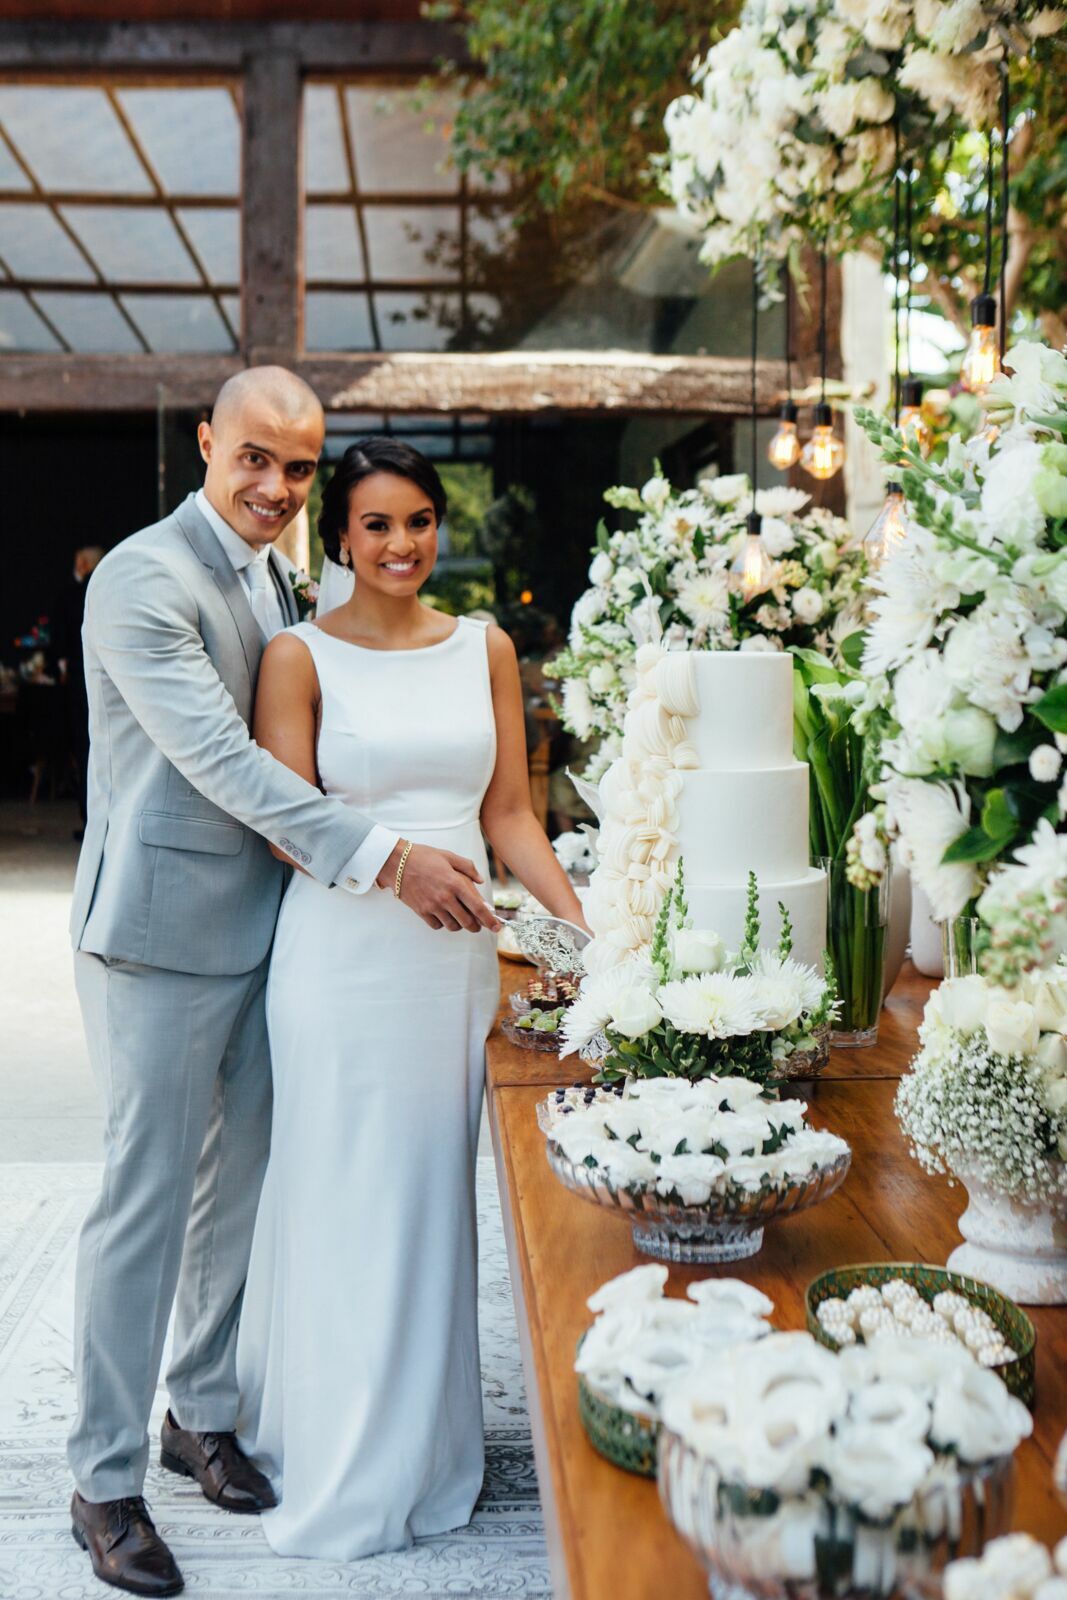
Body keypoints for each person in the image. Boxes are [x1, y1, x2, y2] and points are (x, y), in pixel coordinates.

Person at [68, 369, 503, 1599]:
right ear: (208, 443)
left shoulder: (276, 577)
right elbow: (223, 761)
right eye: (254, 457)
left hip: (279, 937)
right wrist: (390, 858)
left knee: (238, 1193)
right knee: (145, 1203)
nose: (274, 486)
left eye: (298, 467)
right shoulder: (142, 578)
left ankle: (200, 1414)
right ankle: (102, 1482)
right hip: (161, 934)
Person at [235, 437, 587, 1560]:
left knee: (429, 1197)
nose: (400, 544)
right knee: (347, 1190)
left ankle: (426, 1448)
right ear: (340, 537)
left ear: (440, 526)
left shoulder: (485, 646)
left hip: (450, 970)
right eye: (376, 524)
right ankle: (342, 1453)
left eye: (419, 521)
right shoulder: (296, 655)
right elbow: (284, 825)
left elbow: (509, 815)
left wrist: (583, 934)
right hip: (341, 955)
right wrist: (395, 866)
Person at [53, 544, 104, 836]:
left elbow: (60, 641)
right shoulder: (112, 588)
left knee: (86, 752)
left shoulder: (72, 595)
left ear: (83, 564)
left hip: (79, 684)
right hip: (112, 681)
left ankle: (90, 822)